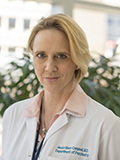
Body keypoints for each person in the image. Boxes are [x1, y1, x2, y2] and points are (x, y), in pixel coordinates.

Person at [0, 13, 120, 160]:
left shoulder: (105, 125)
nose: (49, 67)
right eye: (41, 55)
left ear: (77, 61)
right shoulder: (12, 115)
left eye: (61, 56)